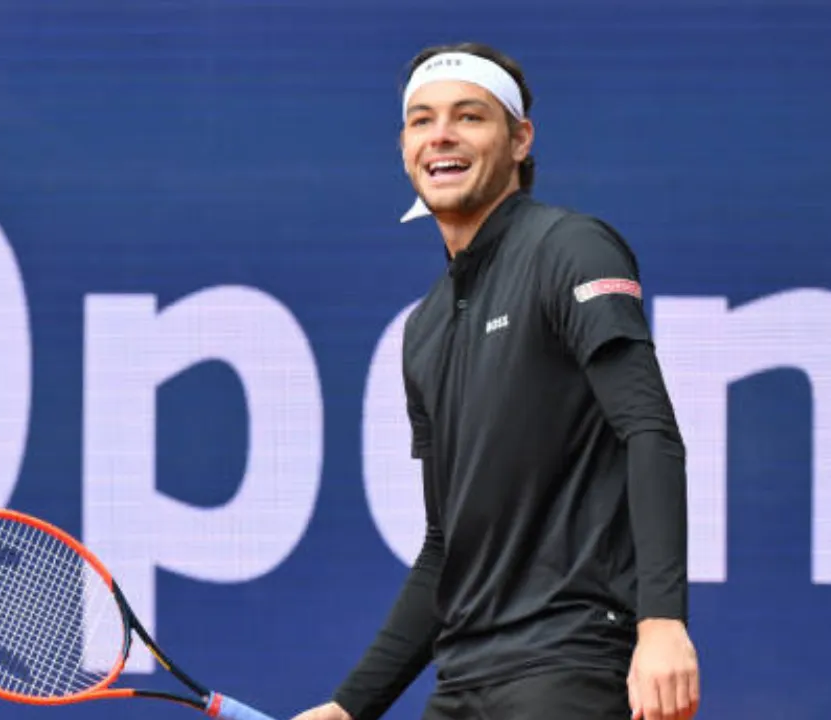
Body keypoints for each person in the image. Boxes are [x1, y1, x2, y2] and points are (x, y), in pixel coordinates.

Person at [293, 42, 700, 720]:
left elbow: (649, 431)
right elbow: (445, 546)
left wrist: (661, 622)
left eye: (469, 117)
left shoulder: (571, 249)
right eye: (421, 120)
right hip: (462, 683)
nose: (441, 135)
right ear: (403, 148)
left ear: (519, 140)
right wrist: (349, 706)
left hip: (569, 662)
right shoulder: (424, 329)